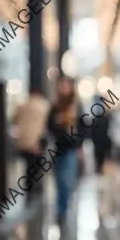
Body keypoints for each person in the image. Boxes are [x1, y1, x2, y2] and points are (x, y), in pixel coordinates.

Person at [47, 77, 87, 224]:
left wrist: (79, 144)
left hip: (72, 148)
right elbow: (49, 126)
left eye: (66, 85)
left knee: (66, 180)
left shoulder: (76, 106)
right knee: (59, 180)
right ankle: (61, 208)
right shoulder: (56, 106)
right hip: (58, 147)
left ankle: (63, 210)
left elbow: (84, 127)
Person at [14, 89, 49, 200]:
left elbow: (15, 121)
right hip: (37, 142)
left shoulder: (21, 106)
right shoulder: (44, 106)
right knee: (36, 167)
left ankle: (29, 189)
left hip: (23, 141)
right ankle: (34, 190)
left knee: (28, 166)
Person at [90, 109, 112, 175]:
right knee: (102, 155)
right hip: (103, 140)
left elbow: (92, 130)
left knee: (98, 155)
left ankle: (99, 168)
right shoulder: (107, 119)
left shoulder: (96, 119)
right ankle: (100, 168)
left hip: (97, 140)